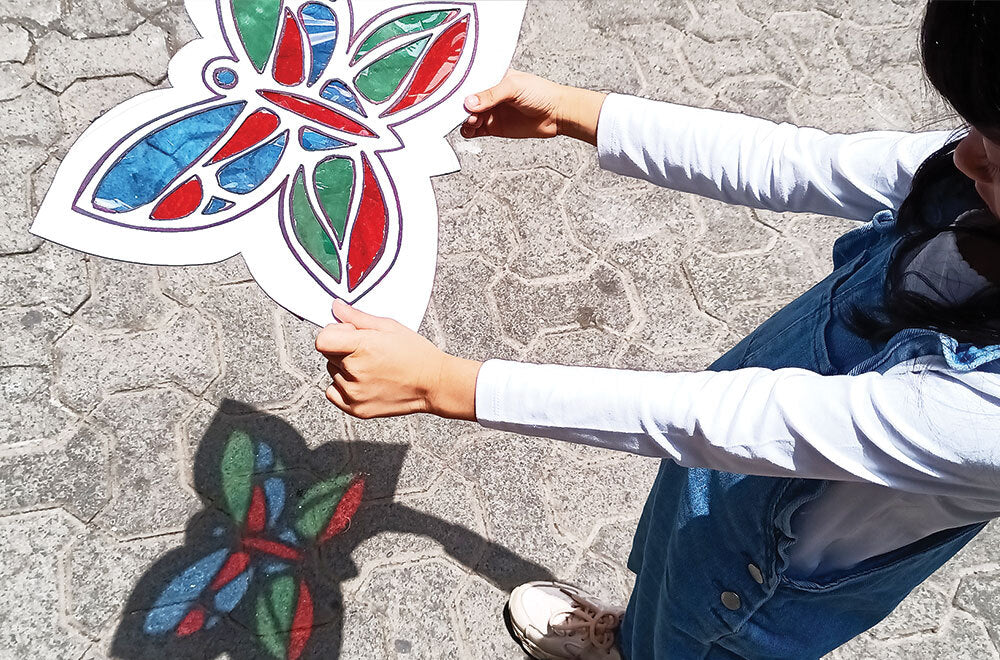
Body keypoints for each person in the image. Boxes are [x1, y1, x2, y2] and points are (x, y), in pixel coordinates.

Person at [315, 1, 1000, 657]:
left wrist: (451, 386)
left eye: (997, 153)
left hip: (768, 578)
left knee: (694, 637)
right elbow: (800, 162)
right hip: (721, 474)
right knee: (671, 577)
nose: (966, 156)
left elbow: (738, 418)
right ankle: (632, 636)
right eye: (976, 127)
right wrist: (579, 112)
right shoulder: (972, 173)